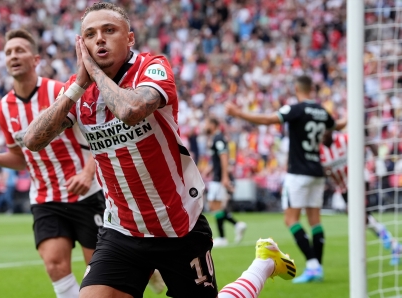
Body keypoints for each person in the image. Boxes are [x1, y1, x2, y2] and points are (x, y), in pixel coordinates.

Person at [23, 3, 295, 297]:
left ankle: (263, 265)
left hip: (176, 225)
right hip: (122, 229)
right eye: (90, 34)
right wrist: (78, 84)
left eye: (109, 30)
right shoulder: (79, 90)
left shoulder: (152, 67)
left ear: (130, 38)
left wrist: (93, 73)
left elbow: (131, 109)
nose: (99, 39)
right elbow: (32, 140)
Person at [0, 29, 106, 298]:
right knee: (55, 266)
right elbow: (21, 159)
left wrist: (87, 172)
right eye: (8, 52)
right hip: (45, 197)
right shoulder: (3, 108)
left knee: (101, 270)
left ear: (35, 59)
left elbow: (99, 136)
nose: (13, 56)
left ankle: (151, 274)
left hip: (85, 192)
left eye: (20, 50)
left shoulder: (60, 91)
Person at [225, 75, 346, 284]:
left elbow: (267, 120)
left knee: (291, 219)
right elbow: (337, 126)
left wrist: (238, 113)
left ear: (296, 89)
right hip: (317, 171)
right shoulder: (322, 111)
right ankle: (317, 267)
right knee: (315, 220)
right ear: (312, 90)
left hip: (298, 172)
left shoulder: (296, 109)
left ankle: (312, 265)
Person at [320, 131, 400, 265]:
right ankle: (393, 245)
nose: (323, 134)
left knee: (360, 217)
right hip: (343, 188)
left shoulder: (343, 139)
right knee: (364, 219)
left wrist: (378, 161)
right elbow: (323, 171)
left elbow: (367, 139)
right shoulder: (320, 151)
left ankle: (384, 246)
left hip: (358, 180)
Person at [204, 117, 246, 247]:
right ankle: (237, 225)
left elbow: (224, 157)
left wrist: (225, 176)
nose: (205, 126)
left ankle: (223, 237)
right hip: (217, 176)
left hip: (219, 178)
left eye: (207, 123)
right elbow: (217, 158)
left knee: (215, 206)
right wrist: (210, 169)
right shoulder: (216, 138)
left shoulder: (218, 138)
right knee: (215, 207)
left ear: (213, 124)